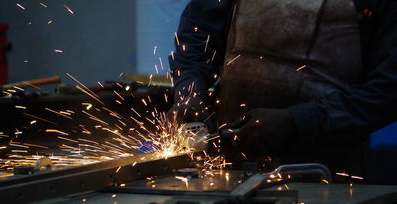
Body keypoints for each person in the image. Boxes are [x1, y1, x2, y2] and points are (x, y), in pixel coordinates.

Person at [167, 0, 397, 179]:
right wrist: (189, 92)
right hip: (228, 156)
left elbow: (388, 90)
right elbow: (196, 39)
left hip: (323, 168)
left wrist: (296, 121)